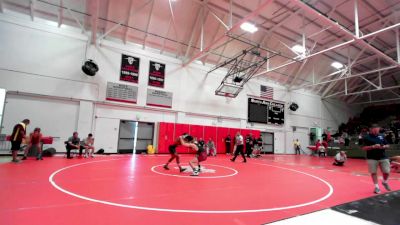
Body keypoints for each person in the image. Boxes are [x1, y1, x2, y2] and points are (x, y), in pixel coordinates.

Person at [362, 124, 391, 194]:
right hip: (371, 158)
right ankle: (377, 187)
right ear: (371, 129)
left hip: (383, 156)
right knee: (374, 172)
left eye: (377, 130)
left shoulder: (382, 136)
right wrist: (373, 146)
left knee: (387, 172)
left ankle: (384, 182)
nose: (376, 131)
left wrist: (384, 146)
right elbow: (363, 148)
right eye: (374, 130)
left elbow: (388, 145)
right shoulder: (366, 137)